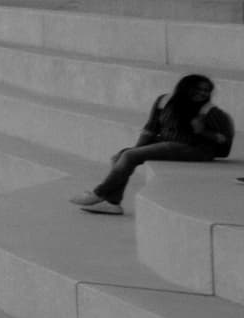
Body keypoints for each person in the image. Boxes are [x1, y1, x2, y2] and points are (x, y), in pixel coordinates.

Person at [80, 73, 233, 213]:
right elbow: (151, 128)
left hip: (195, 149)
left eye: (207, 90)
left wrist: (203, 132)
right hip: (168, 142)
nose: (203, 93)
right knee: (120, 156)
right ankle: (112, 202)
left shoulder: (210, 111)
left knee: (130, 156)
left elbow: (223, 140)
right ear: (186, 88)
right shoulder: (164, 101)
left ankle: (99, 193)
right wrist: (137, 148)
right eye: (199, 89)